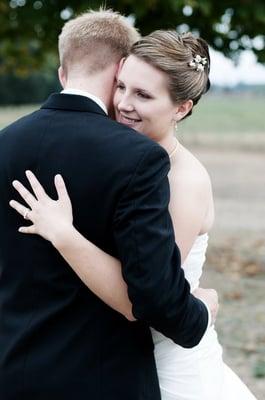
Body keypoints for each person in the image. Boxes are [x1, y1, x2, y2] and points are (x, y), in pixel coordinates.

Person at [9, 29, 257, 399]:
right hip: (110, 360)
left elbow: (144, 298)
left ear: (181, 108)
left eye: (143, 94)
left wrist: (64, 233)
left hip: (171, 366)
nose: (123, 103)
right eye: (121, 86)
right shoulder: (117, 158)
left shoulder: (185, 181)